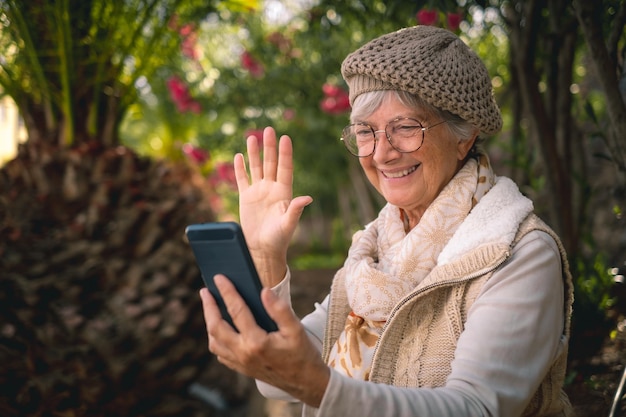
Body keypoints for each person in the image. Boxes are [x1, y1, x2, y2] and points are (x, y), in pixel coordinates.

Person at [199, 25, 574, 417]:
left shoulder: (520, 253)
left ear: (465, 135)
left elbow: (474, 408)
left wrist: (319, 386)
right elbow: (280, 377)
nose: (382, 154)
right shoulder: (375, 249)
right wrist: (266, 257)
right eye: (366, 132)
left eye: (406, 128)